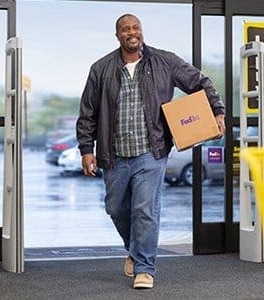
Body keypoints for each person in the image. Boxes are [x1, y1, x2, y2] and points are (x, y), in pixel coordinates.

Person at [76, 13, 225, 289]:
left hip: (151, 151)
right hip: (114, 153)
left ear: (141, 31)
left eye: (135, 27)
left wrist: (217, 110)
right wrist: (87, 149)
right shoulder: (101, 68)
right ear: (117, 35)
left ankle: (145, 268)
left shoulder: (164, 61)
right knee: (116, 208)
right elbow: (88, 113)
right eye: (125, 29)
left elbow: (200, 82)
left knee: (145, 209)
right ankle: (135, 250)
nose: (131, 32)